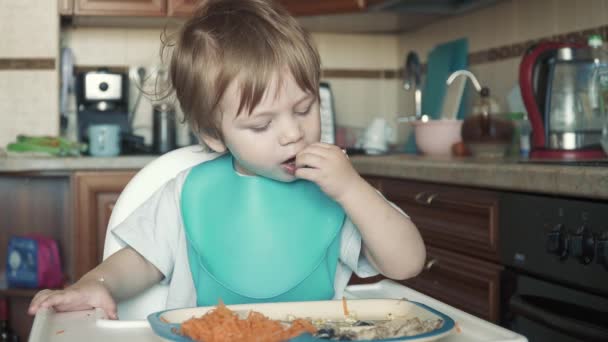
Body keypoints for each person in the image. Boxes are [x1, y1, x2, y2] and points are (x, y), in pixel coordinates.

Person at [28, 0, 425, 320]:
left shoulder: (339, 191)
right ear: (214, 136)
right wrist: (97, 284)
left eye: (305, 109)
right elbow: (138, 261)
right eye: (261, 124)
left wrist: (353, 189)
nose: (292, 133)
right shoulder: (186, 192)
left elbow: (407, 264)